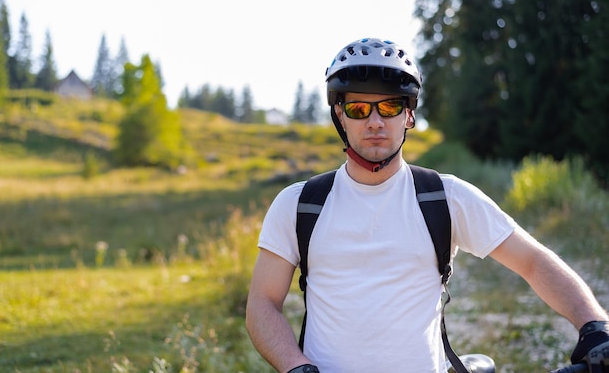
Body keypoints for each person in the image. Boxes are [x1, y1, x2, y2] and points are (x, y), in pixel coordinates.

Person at [245, 37, 609, 373]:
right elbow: (263, 304)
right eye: (358, 108)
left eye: (389, 106)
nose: (375, 122)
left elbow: (533, 262)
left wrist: (594, 325)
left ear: (409, 115)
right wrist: (296, 367)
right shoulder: (300, 204)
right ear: (339, 115)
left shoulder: (444, 197)